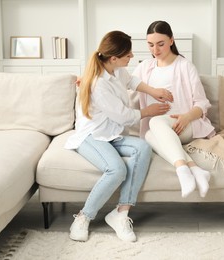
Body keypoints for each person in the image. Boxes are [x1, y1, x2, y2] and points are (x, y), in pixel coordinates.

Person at [64, 30, 173, 242]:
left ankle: (121, 213)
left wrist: (152, 91)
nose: (132, 57)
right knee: (116, 170)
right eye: (128, 55)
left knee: (143, 148)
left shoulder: (116, 70)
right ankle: (83, 217)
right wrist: (148, 112)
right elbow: (123, 116)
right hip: (92, 136)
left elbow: (132, 81)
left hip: (111, 134)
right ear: (114, 58)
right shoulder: (99, 84)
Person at [133, 21, 216, 198]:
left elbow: (202, 103)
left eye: (160, 44)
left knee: (154, 121)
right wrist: (88, 79)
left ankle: (182, 170)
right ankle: (192, 169)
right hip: (160, 129)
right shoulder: (145, 67)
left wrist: (186, 117)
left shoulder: (185, 66)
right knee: (148, 134)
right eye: (150, 45)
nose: (155, 50)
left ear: (171, 40)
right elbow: (122, 82)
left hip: (185, 124)